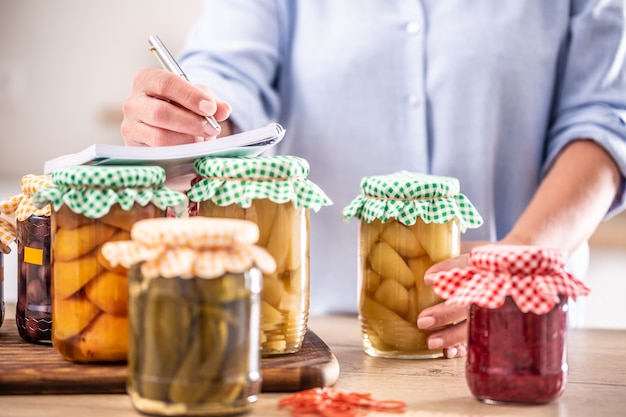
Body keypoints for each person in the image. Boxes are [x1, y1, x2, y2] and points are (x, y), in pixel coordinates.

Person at [121, 1, 626, 358]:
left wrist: (523, 255)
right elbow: (229, 73)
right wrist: (188, 118)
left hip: (516, 333)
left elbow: (606, 118)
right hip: (316, 340)